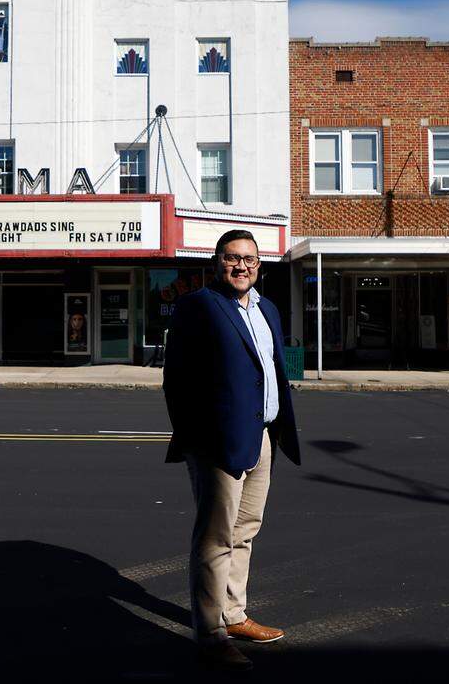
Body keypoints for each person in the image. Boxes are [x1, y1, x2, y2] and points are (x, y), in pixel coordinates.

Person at [162, 229, 301, 671]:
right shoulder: (198, 306)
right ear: (217, 261)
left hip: (262, 435)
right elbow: (176, 381)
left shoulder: (268, 310)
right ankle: (211, 632)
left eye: (250, 259)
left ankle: (234, 613)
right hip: (216, 440)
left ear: (260, 265)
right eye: (232, 258)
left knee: (246, 530)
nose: (241, 266)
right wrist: (195, 439)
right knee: (216, 536)